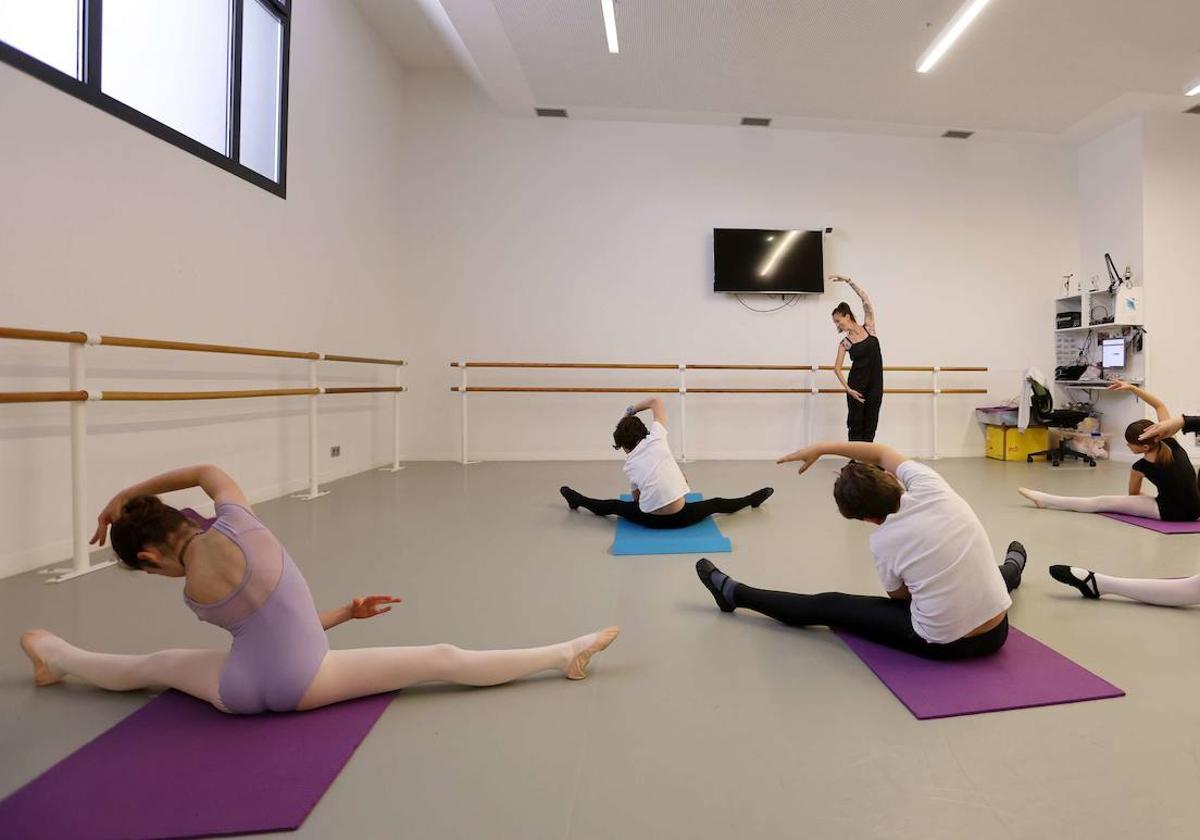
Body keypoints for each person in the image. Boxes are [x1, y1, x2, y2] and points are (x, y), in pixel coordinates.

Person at [20, 465, 619, 714]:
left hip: (238, 690)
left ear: (149, 555)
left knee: (155, 664)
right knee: (442, 659)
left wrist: (345, 615)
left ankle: (57, 658)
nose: (161, 579)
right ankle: (565, 653)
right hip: (303, 682)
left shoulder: (194, 596)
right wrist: (122, 499)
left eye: (149, 571)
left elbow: (268, 629)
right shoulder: (241, 520)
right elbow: (204, 472)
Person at [695, 441, 1026, 660]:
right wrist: (823, 447)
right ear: (890, 479)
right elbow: (881, 451)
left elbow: (901, 600)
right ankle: (1014, 566)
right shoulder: (931, 484)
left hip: (947, 646)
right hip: (998, 632)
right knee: (973, 570)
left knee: (830, 605)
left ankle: (735, 594)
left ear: (866, 518)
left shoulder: (883, 541)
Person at [559, 397, 773, 528]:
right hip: (681, 517)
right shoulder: (657, 437)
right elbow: (656, 401)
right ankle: (752, 500)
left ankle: (577, 500)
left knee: (614, 506)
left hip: (650, 520)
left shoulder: (629, 464)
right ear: (643, 433)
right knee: (716, 503)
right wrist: (630, 412)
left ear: (624, 446)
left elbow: (637, 499)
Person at [1018, 380, 1200, 521]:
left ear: (1145, 446)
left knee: (1100, 502)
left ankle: (1045, 499)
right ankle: (1045, 500)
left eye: (1130, 444)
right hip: (1196, 509)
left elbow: (1134, 495)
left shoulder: (1140, 466)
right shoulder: (1170, 441)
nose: (1127, 446)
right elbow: (1159, 405)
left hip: (1170, 513)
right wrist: (1132, 389)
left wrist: (1150, 501)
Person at [830, 275, 884, 442]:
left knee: (871, 421)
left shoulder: (869, 328)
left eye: (838, 321)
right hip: (856, 386)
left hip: (875, 384)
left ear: (847, 316)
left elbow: (866, 302)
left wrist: (849, 281)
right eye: (835, 323)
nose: (838, 325)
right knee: (856, 423)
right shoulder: (845, 342)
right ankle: (855, 462)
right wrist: (848, 389)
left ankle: (867, 463)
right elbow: (837, 368)